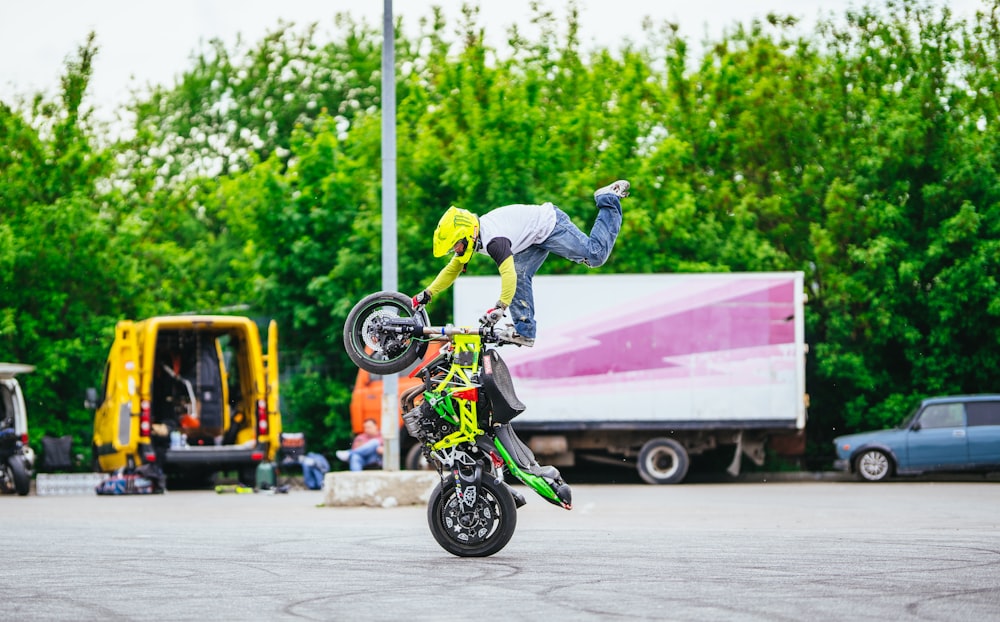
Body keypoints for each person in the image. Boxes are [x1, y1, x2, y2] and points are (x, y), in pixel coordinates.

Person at [411, 180, 630, 347]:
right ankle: (525, 331)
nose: (456, 251)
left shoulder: (494, 240)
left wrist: (500, 307)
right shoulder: (476, 236)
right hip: (531, 239)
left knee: (595, 255)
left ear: (467, 234)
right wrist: (427, 293)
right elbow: (452, 269)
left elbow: (507, 276)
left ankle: (608, 199)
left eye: (456, 245)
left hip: (551, 225)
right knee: (520, 272)